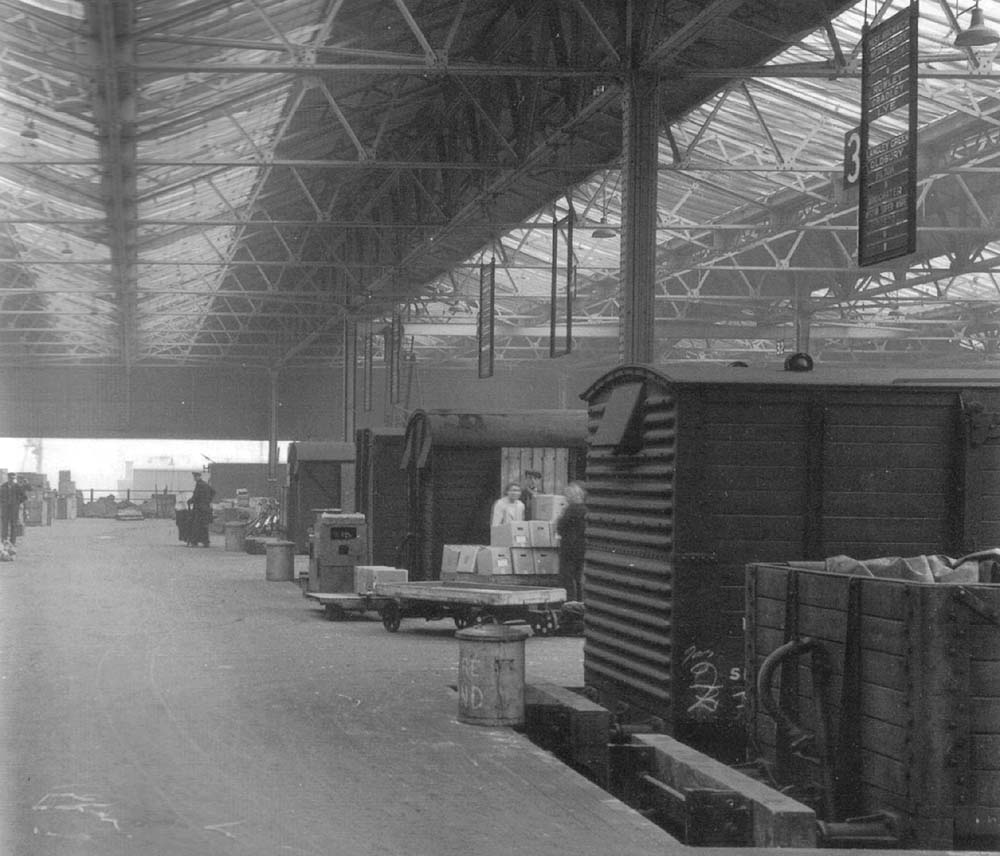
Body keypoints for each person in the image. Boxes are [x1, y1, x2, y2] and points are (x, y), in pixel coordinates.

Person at [555, 482, 587, 603]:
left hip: (568, 548)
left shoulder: (569, 510)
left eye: (567, 495)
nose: (565, 497)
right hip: (581, 547)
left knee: (566, 577)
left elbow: (560, 528)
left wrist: (559, 519)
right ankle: (579, 601)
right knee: (578, 577)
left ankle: (568, 602)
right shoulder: (585, 509)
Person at [187, 471, 216, 547]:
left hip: (199, 509)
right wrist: (208, 500)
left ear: (198, 477)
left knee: (196, 525)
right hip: (205, 508)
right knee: (204, 526)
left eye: (195, 477)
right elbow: (213, 492)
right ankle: (206, 542)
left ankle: (194, 542)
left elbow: (196, 496)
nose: (194, 478)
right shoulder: (205, 484)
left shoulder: (199, 485)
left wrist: (190, 501)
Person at [0, 472, 26, 545]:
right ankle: (4, 540)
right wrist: (2, 502)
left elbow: (24, 497)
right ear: (8, 478)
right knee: (4, 525)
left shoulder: (17, 487)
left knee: (13, 525)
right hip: (5, 509)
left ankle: (13, 542)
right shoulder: (3, 486)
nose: (11, 480)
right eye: (10, 478)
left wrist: (17, 502)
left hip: (14, 509)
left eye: (13, 479)